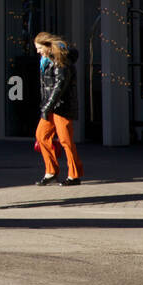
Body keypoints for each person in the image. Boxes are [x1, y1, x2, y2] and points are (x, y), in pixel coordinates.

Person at [33, 31, 84, 187]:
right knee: (41, 135)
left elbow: (59, 85)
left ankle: (74, 175)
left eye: (39, 47)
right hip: (50, 106)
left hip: (62, 107)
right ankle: (51, 172)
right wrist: (46, 106)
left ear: (48, 46)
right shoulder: (45, 60)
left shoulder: (61, 60)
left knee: (66, 141)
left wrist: (47, 106)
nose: (37, 51)